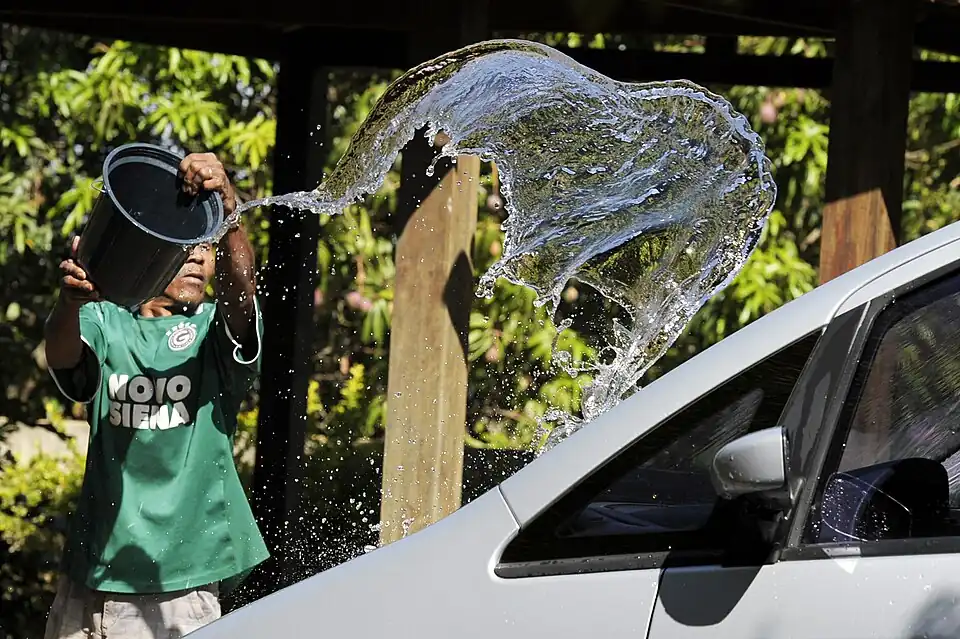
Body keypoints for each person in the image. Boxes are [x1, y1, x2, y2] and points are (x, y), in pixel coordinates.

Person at [42, 152, 269, 639]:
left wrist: (229, 211)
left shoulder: (213, 332)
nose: (198, 256)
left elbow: (242, 294)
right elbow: (63, 359)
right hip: (90, 578)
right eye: (186, 244)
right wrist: (67, 302)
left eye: (207, 247)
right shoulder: (106, 320)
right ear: (151, 250)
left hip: (178, 586)